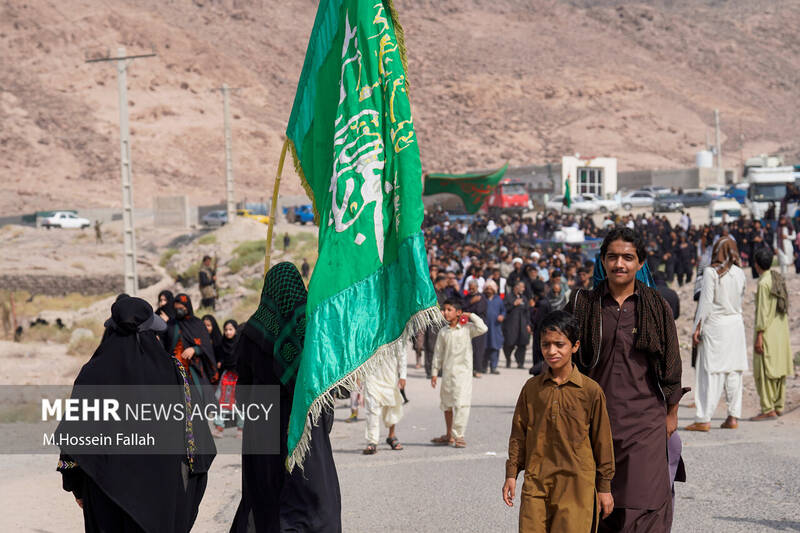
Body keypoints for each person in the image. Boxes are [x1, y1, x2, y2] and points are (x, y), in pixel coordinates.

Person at [57, 296, 214, 533]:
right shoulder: (174, 372)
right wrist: (184, 498)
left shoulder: (91, 374)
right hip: (161, 495)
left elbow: (74, 438)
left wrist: (76, 486)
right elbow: (197, 441)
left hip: (103, 493)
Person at [567, 227, 685, 533]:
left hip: (644, 424)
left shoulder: (655, 306)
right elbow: (562, 356)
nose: (619, 264)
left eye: (628, 258)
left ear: (640, 263)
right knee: (597, 509)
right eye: (612, 257)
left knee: (643, 505)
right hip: (593, 423)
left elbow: (672, 365)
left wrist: (671, 414)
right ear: (603, 260)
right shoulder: (585, 305)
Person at [230, 262, 341, 532]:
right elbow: (324, 380)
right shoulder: (310, 329)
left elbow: (242, 385)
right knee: (310, 489)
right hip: (302, 421)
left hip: (263, 423)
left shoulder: (253, 330)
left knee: (265, 490)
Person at [503, 311, 615, 532]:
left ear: (575, 346)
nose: (551, 351)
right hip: (536, 484)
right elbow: (519, 434)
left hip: (576, 486)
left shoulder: (590, 391)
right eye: (546, 345)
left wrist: (604, 487)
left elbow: (602, 442)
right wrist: (511, 474)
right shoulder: (532, 389)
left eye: (559, 344)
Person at [687, 236, 747, 431]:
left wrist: (697, 328)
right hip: (735, 325)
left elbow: (705, 303)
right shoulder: (740, 272)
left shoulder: (711, 272)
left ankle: (703, 418)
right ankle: (733, 417)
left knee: (709, 373)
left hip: (715, 326)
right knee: (734, 372)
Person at [430, 299, 487, 448]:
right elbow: (438, 353)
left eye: (449, 310)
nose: (445, 313)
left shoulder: (467, 329)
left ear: (458, 312)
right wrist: (434, 372)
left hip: (463, 375)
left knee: (461, 404)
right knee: (447, 405)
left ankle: (459, 435)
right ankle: (449, 434)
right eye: (444, 310)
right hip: (448, 374)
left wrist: (470, 315)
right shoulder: (443, 332)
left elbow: (483, 328)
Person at [750, 248, 793, 420]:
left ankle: (768, 409)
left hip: (767, 331)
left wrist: (759, 335)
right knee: (779, 368)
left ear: (757, 265)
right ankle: (779, 405)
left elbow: (762, 311)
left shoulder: (763, 283)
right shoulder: (777, 278)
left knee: (765, 370)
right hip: (781, 330)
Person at [165, 293, 218, 397]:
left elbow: (206, 345)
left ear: (187, 307)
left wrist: (195, 349)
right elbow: (165, 344)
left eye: (181, 308)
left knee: (199, 397)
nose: (178, 311)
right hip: (174, 368)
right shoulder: (171, 324)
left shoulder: (197, 324)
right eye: (176, 308)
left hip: (193, 368)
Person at [362, 342, 407, 454]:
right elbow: (361, 349)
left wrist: (403, 375)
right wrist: (358, 375)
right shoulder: (369, 331)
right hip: (371, 376)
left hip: (390, 376)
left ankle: (391, 436)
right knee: (372, 409)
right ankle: (372, 441)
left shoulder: (395, 333)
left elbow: (402, 353)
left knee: (392, 407)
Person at [213, 319, 243, 437]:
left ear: (236, 330)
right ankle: (219, 427)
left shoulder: (240, 344)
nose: (228, 332)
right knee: (220, 400)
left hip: (239, 376)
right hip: (226, 376)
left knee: (239, 402)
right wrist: (220, 362)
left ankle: (241, 428)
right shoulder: (222, 344)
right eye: (225, 330)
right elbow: (220, 357)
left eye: (230, 329)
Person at [463, 279, 488, 378]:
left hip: (478, 326)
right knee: (468, 349)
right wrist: (471, 302)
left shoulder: (481, 297)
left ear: (477, 287)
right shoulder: (467, 297)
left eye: (473, 288)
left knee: (478, 349)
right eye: (470, 288)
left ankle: (478, 369)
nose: (471, 290)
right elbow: (462, 308)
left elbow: (478, 310)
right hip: (468, 326)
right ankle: (469, 369)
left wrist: (469, 310)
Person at [503, 281, 531, 369]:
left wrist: (528, 324)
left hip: (522, 324)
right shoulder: (508, 297)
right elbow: (504, 309)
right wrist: (513, 304)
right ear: (516, 287)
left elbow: (527, 312)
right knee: (509, 343)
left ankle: (520, 362)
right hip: (511, 324)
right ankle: (508, 359)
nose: (523, 289)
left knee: (522, 344)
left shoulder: (524, 298)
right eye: (521, 287)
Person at [483, 280, 505, 375]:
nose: (489, 290)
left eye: (491, 288)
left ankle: (493, 367)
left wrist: (502, 315)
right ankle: (483, 367)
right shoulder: (482, 298)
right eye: (487, 288)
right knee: (484, 347)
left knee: (495, 347)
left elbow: (503, 310)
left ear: (494, 289)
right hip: (484, 327)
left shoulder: (498, 299)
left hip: (495, 327)